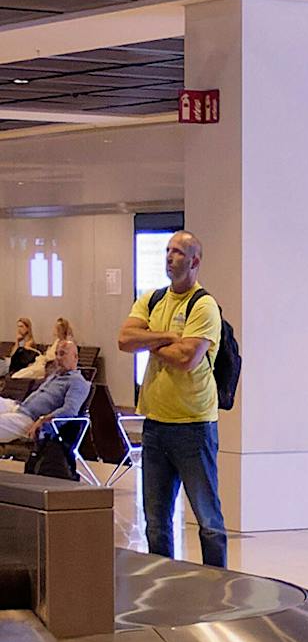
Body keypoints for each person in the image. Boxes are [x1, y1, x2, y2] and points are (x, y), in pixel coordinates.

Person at [118, 230, 224, 567]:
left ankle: (216, 585)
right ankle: (164, 585)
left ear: (194, 261)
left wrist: (147, 341)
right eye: (167, 250)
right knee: (157, 522)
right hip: (155, 426)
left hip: (193, 427)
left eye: (177, 252)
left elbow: (187, 358)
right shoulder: (151, 300)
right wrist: (166, 336)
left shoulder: (204, 305)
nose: (169, 257)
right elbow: (124, 339)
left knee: (207, 520)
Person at [0, 336, 90, 443]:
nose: (58, 358)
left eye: (62, 354)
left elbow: (70, 410)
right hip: (19, 406)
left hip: (30, 419)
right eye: (56, 354)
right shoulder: (55, 375)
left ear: (75, 357)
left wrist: (43, 421)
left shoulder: (77, 382)